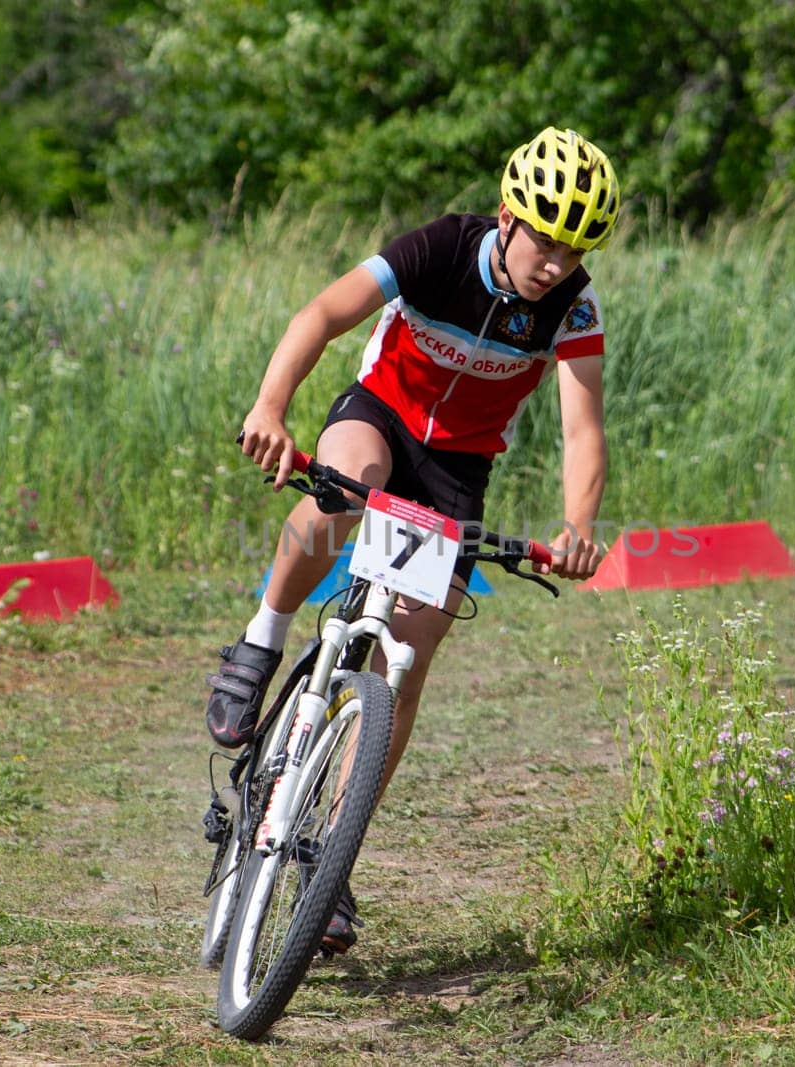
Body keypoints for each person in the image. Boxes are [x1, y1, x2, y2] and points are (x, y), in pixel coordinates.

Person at [206, 126, 621, 953]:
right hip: (380, 417)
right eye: (545, 236)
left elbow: (583, 428)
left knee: (414, 642)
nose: (555, 261)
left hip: (456, 469)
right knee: (338, 499)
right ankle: (260, 641)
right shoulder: (440, 247)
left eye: (576, 248)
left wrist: (579, 526)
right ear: (507, 217)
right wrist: (270, 406)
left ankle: (328, 849)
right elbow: (324, 312)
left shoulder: (571, 305)